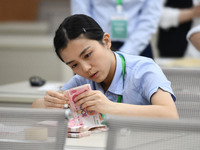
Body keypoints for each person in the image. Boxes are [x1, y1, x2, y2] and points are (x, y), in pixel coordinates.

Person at [31, 14, 178, 119]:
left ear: (106, 41)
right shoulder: (81, 80)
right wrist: (49, 103)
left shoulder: (144, 69)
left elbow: (170, 115)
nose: (85, 69)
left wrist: (110, 108)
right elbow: (35, 108)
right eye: (74, 65)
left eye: (88, 55)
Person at [70, 0, 164, 59]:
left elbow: (149, 18)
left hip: (138, 46)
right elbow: (81, 14)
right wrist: (97, 48)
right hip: (95, 43)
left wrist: (123, 55)